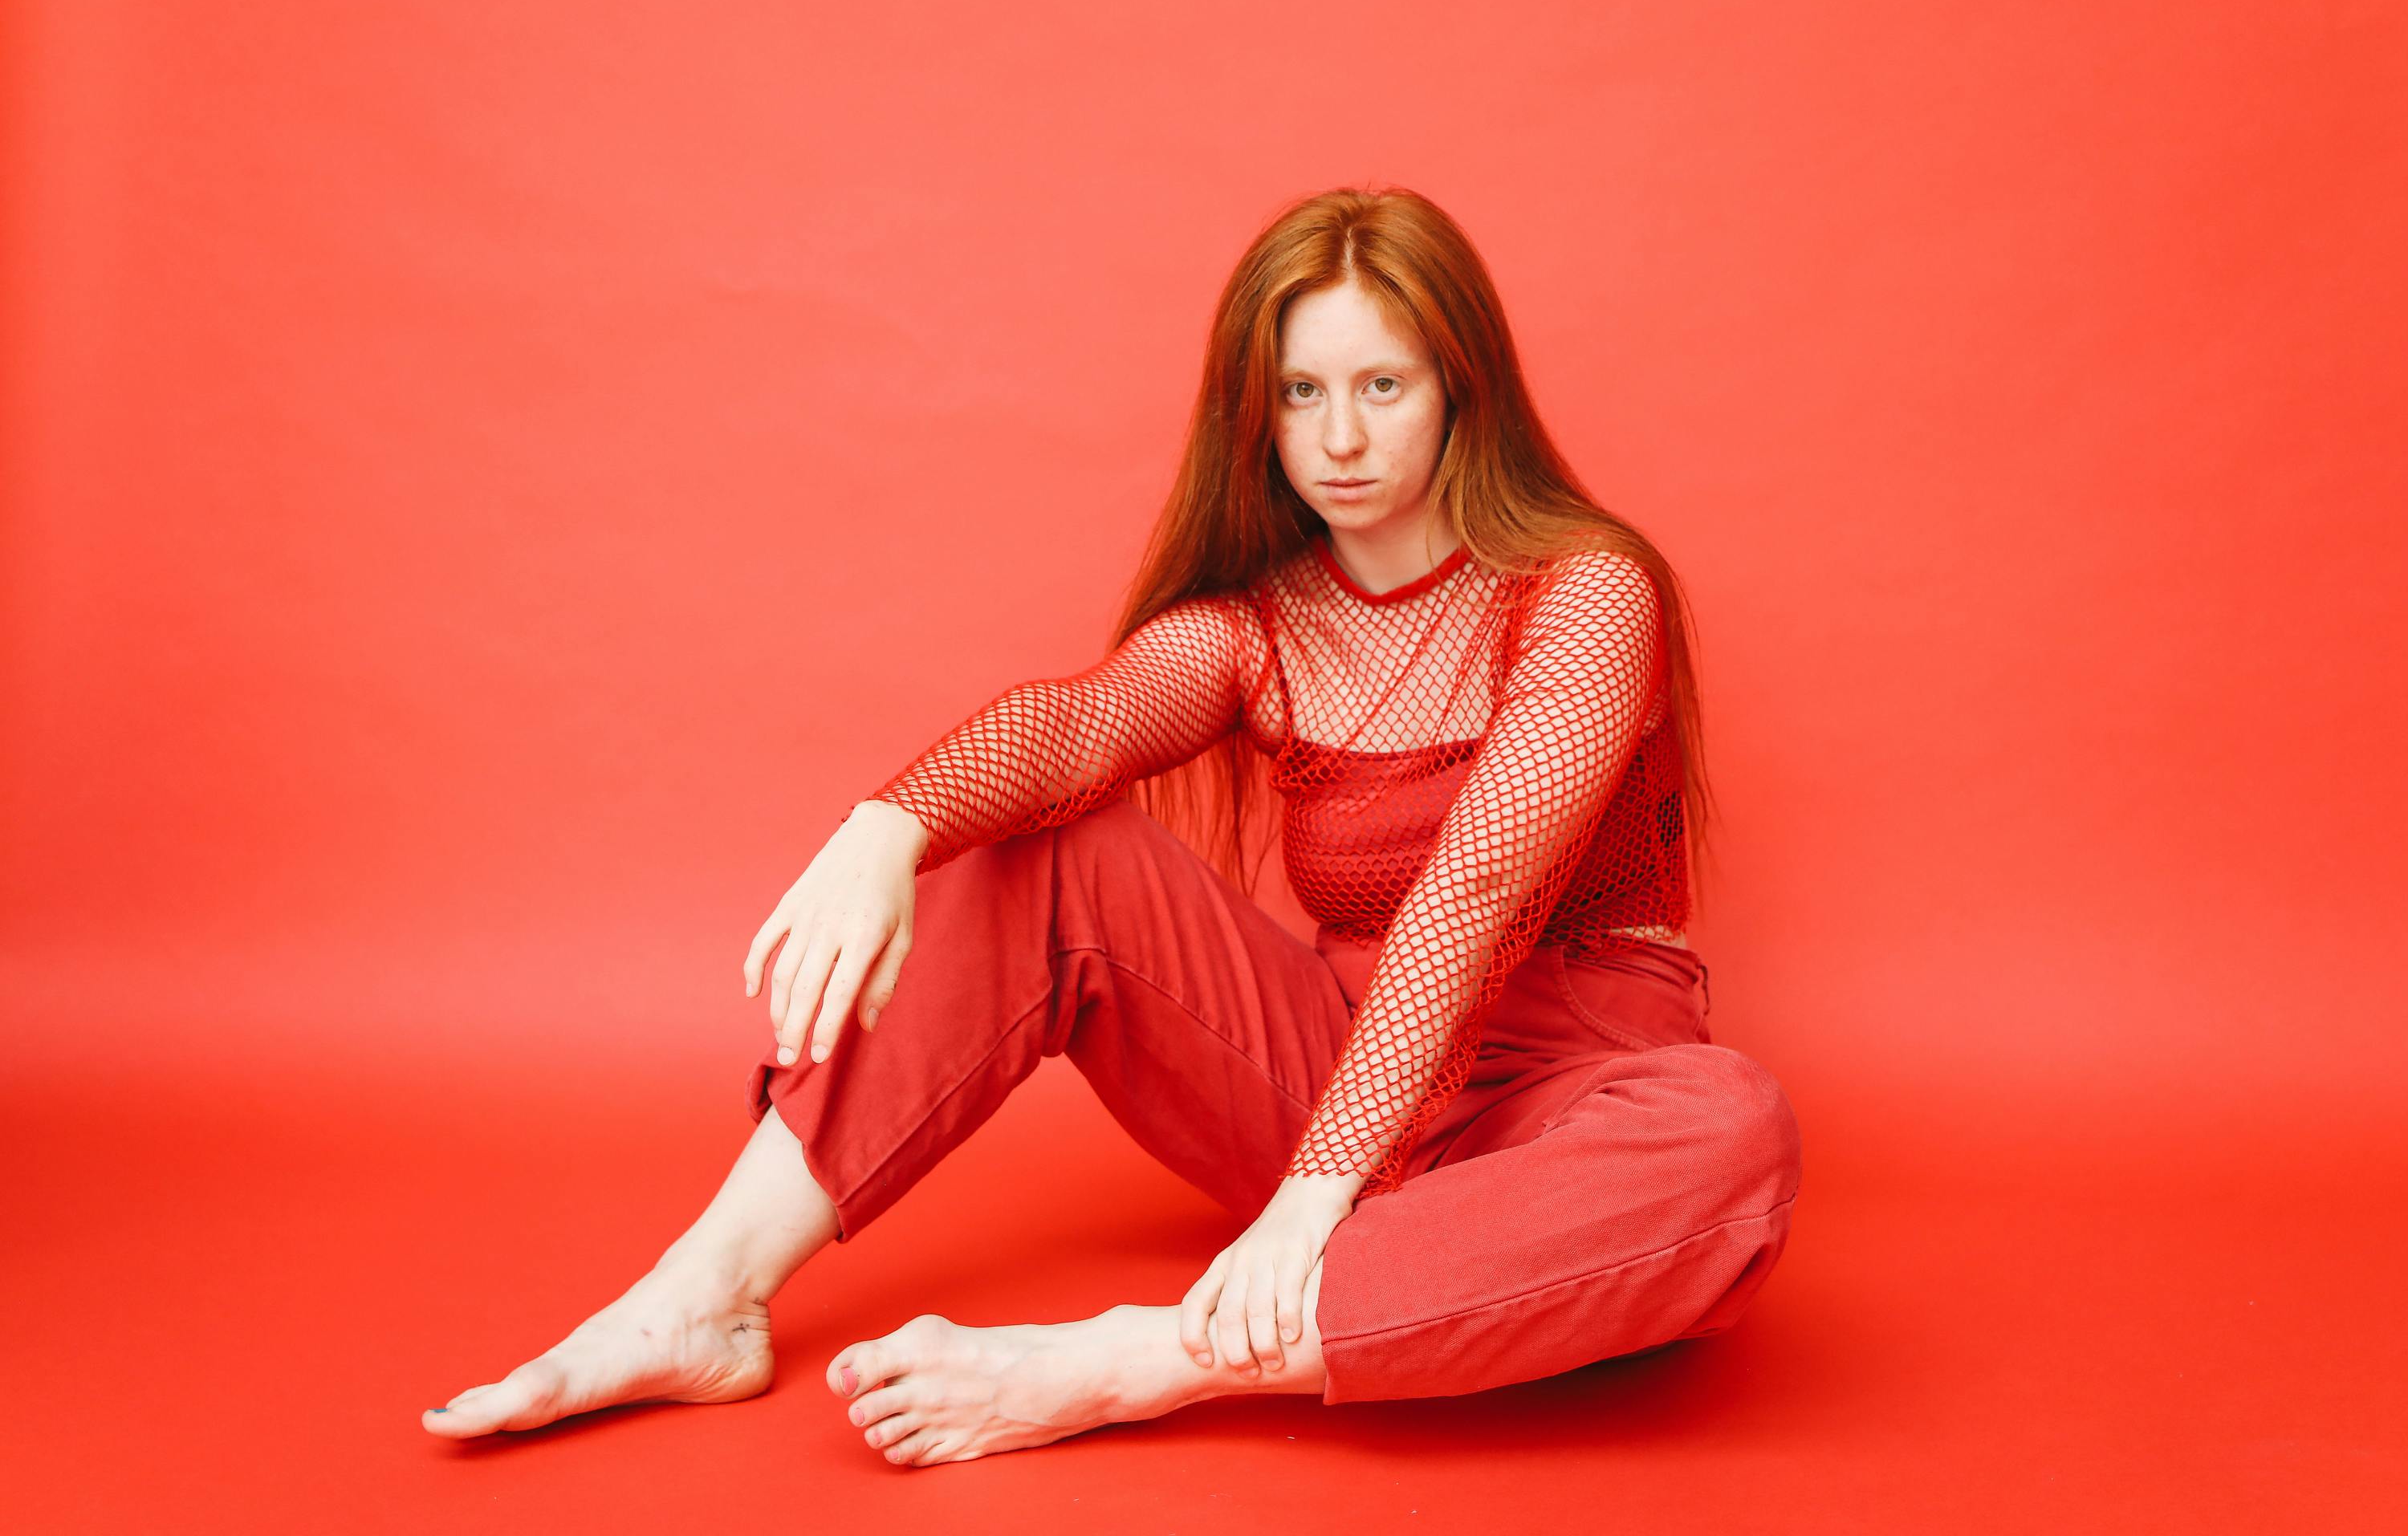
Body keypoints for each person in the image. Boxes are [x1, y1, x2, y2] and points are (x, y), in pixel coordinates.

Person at [422, 186, 1803, 1465]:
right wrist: (886, 825)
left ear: (1462, 388)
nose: (1340, 438)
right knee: (1050, 841)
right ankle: (704, 1298)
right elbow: (1078, 731)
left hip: (1561, 1110)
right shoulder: (1256, 631)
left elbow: (1478, 886)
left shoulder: (1589, 591)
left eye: (1382, 386)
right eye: (1302, 395)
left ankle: (1156, 1360)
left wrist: (1312, 1202)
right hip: (1329, 1081)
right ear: (1256, 418)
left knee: (1733, 1131)